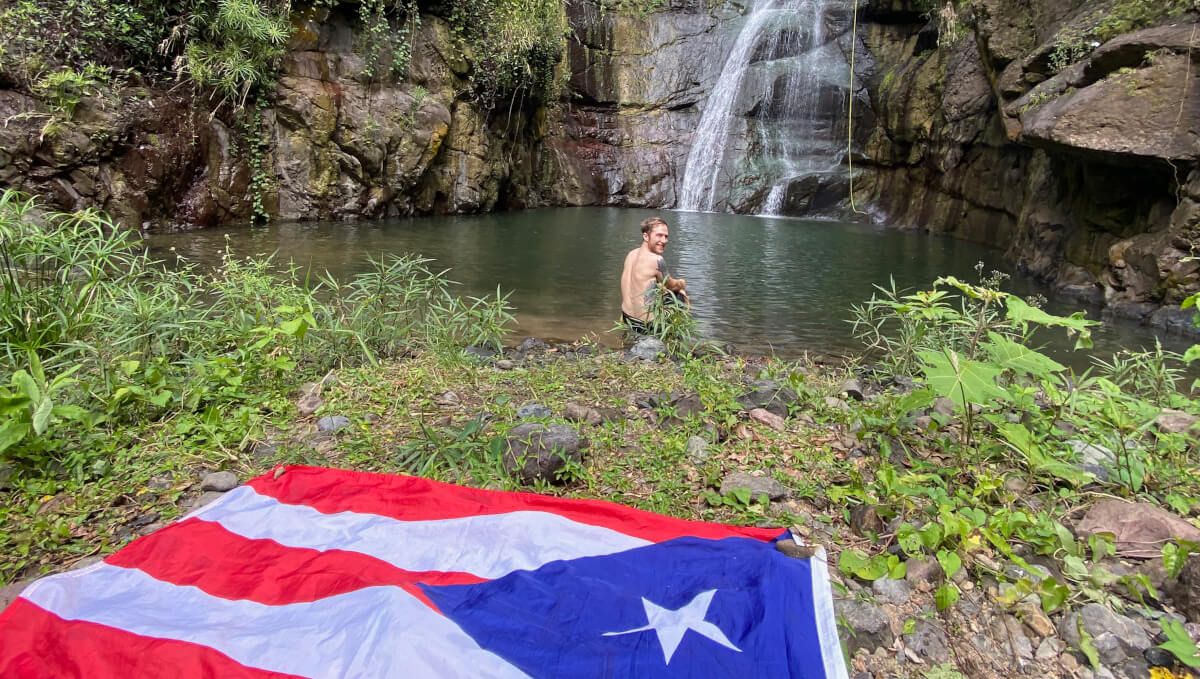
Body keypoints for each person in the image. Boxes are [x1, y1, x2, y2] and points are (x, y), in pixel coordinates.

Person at [620, 216, 688, 335]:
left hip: (627, 318)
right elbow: (672, 286)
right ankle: (674, 337)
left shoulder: (631, 254)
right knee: (680, 295)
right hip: (645, 325)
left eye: (666, 236)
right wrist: (682, 283)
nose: (664, 240)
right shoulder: (656, 260)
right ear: (646, 236)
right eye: (659, 235)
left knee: (662, 292)